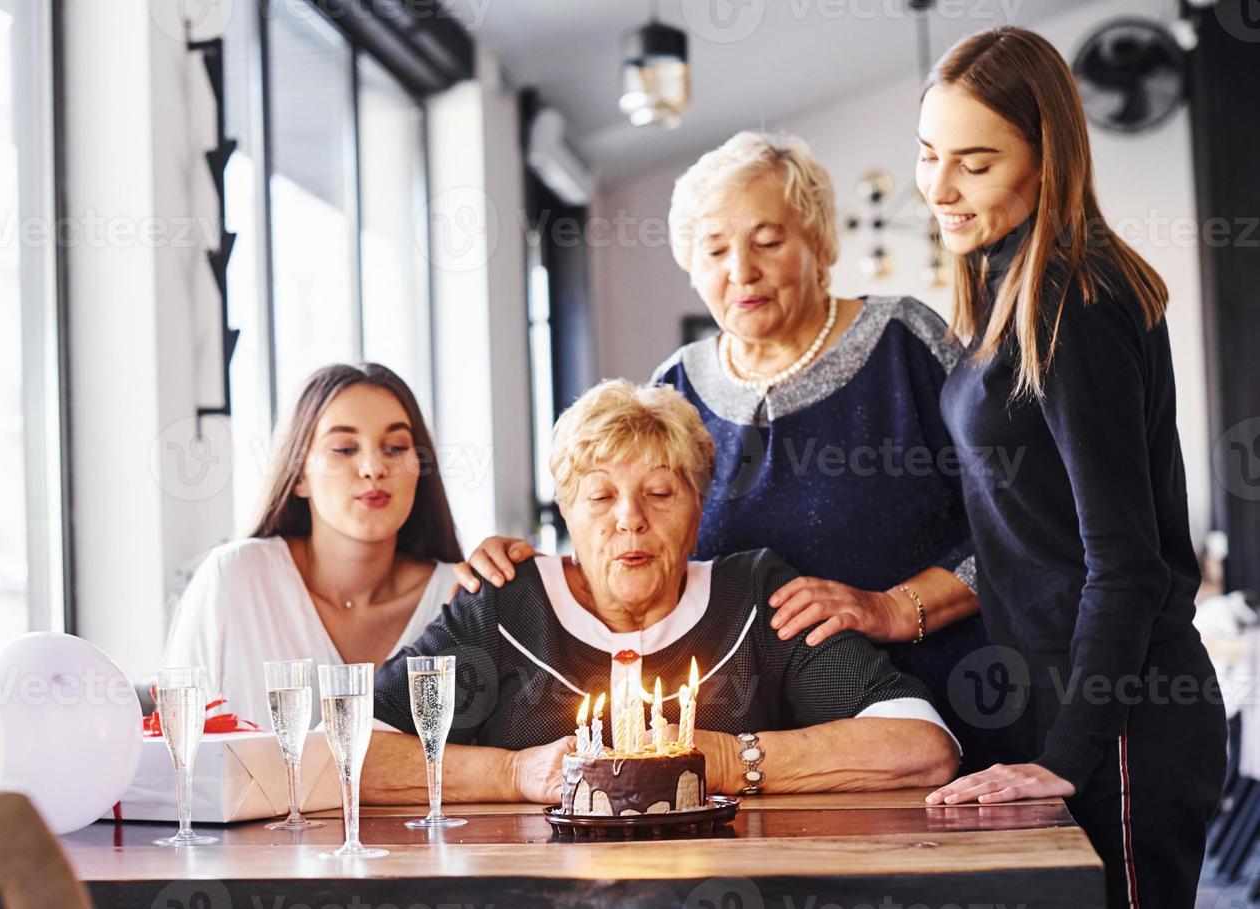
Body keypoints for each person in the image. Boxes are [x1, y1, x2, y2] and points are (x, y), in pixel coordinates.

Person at [461, 132, 997, 769]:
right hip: (753, 745)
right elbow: (635, 537)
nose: (741, 270)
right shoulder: (676, 387)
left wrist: (891, 607)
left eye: (768, 242)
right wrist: (523, 561)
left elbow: (1016, 524)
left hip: (931, 708)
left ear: (821, 243)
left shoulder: (905, 344)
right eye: (715, 249)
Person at [917, 27, 1226, 909]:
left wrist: (1070, 750)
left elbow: (1124, 562)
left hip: (1125, 717)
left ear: (1047, 156)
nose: (939, 189)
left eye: (975, 162)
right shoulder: (1010, 293)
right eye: (928, 156)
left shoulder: (1071, 301)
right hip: (1065, 707)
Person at [358, 380, 960, 805]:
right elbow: (350, 753)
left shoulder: (756, 596)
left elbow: (922, 745)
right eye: (599, 496)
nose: (630, 519)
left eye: (661, 493)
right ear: (567, 511)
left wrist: (724, 761)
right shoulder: (503, 604)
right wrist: (514, 773)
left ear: (699, 511)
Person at [164, 363, 462, 728]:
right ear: (300, 475)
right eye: (344, 448)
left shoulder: (460, 594)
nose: (372, 467)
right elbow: (175, 757)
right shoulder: (233, 581)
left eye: (396, 447)